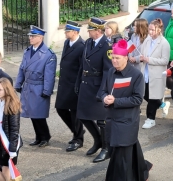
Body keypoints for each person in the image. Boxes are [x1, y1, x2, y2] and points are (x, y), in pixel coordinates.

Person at [100, 39, 153, 181]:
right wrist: (104, 98)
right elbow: (102, 91)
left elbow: (137, 99)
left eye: (117, 58)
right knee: (125, 146)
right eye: (113, 58)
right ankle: (142, 168)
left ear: (125, 58)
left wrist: (116, 101)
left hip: (127, 119)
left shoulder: (136, 75)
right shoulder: (111, 72)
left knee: (122, 152)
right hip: (112, 118)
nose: (114, 61)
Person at [75, 17, 113, 163]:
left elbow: (108, 71)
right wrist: (78, 82)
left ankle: (105, 148)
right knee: (83, 115)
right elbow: (82, 65)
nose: (88, 32)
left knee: (101, 120)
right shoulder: (89, 42)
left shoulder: (106, 46)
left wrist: (103, 91)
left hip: (98, 85)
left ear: (98, 31)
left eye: (90, 30)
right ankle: (97, 140)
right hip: (86, 83)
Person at [14, 25, 57, 147]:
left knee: (39, 114)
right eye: (30, 36)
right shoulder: (27, 51)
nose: (30, 38)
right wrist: (18, 83)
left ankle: (45, 136)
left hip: (39, 87)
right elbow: (22, 69)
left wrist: (47, 91)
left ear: (41, 37)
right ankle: (38, 137)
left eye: (33, 36)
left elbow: (50, 75)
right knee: (32, 114)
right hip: (28, 86)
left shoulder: (48, 54)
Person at [55, 21, 85, 151]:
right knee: (60, 108)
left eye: (68, 31)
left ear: (75, 32)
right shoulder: (67, 42)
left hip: (74, 84)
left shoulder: (81, 46)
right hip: (64, 83)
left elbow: (81, 68)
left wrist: (78, 85)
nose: (65, 33)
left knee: (74, 112)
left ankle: (78, 139)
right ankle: (77, 131)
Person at [0, 78, 22, 181]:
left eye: (0, 90)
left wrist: (12, 150)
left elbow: (15, 130)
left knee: (7, 171)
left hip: (9, 143)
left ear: (7, 90)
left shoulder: (12, 105)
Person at [140, 18, 170, 128]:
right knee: (145, 95)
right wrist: (140, 58)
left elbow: (165, 60)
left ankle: (150, 119)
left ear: (159, 30)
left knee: (152, 98)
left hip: (156, 74)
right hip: (146, 73)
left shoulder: (164, 43)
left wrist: (149, 60)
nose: (150, 32)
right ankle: (162, 104)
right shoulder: (147, 40)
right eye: (149, 29)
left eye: (152, 30)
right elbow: (143, 53)